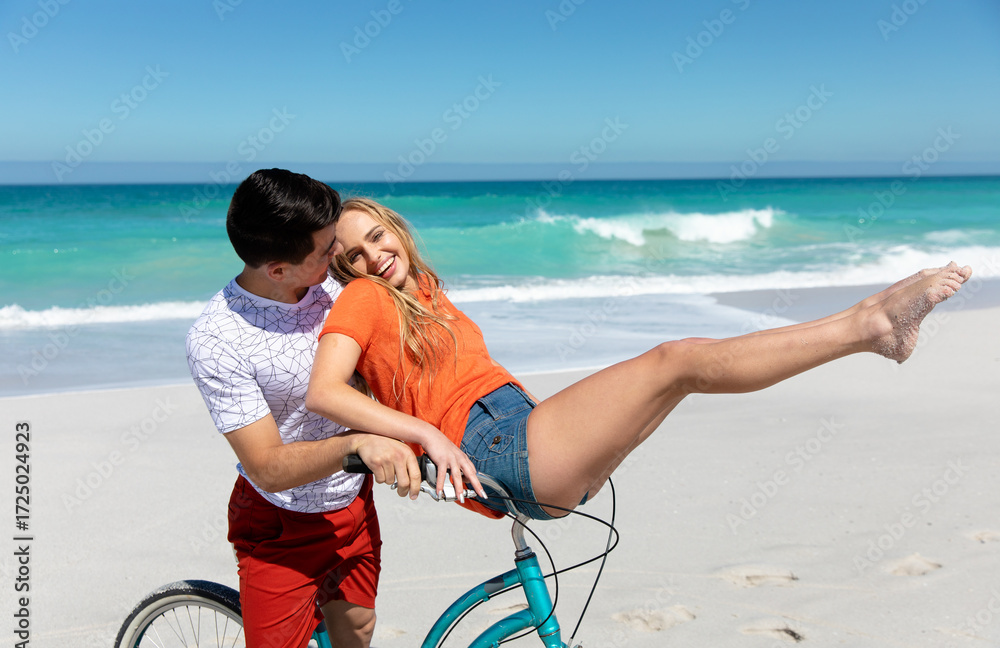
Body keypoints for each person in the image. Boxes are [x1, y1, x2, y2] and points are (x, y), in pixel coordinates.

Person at [305, 196, 973, 521]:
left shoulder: (423, 289)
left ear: (395, 228)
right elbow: (325, 391)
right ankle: (870, 324)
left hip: (517, 432)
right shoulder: (365, 297)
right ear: (344, 271)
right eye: (353, 256)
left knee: (682, 371)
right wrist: (420, 436)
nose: (372, 257)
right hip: (495, 450)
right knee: (677, 361)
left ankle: (870, 318)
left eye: (378, 237)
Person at [186, 172, 415, 648]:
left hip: (352, 500)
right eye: (326, 248)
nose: (339, 252)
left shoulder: (334, 279)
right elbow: (266, 467)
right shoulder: (217, 340)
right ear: (277, 269)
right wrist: (355, 445)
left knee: (358, 625)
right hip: (280, 522)